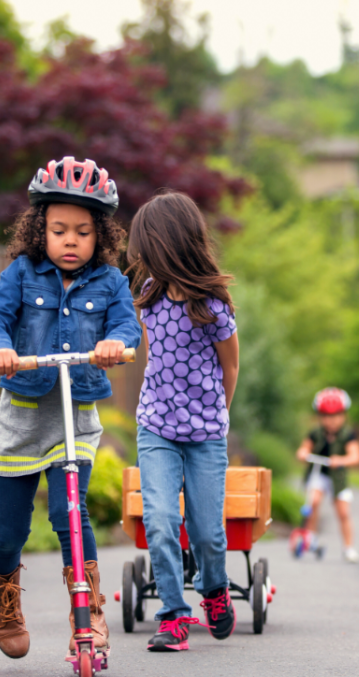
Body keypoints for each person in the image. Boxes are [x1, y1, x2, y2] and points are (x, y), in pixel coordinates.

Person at [0, 157, 141, 660]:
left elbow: (127, 326)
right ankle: (6, 602)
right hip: (22, 417)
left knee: (72, 513)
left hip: (74, 417)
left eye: (84, 232)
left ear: (101, 236)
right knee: (9, 531)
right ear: (39, 229)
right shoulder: (21, 274)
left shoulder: (111, 282)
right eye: (60, 230)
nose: (71, 240)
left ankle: (86, 616)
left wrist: (115, 341)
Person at [127, 191, 241, 652]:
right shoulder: (148, 298)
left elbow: (230, 366)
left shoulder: (213, 306)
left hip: (206, 434)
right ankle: (174, 615)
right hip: (156, 427)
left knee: (209, 532)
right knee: (158, 519)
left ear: (169, 243)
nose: (138, 254)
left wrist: (219, 415)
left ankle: (214, 589)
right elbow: (157, 356)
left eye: (145, 244)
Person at [296, 387, 359, 562]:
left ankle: (348, 548)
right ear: (320, 416)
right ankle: (310, 538)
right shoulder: (316, 433)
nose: (330, 421)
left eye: (335, 416)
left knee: (343, 512)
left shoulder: (348, 435)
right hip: (319, 474)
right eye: (326, 416)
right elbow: (304, 448)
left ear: (343, 415)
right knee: (313, 503)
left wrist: (341, 460)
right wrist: (303, 453)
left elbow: (355, 456)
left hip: (337, 478)